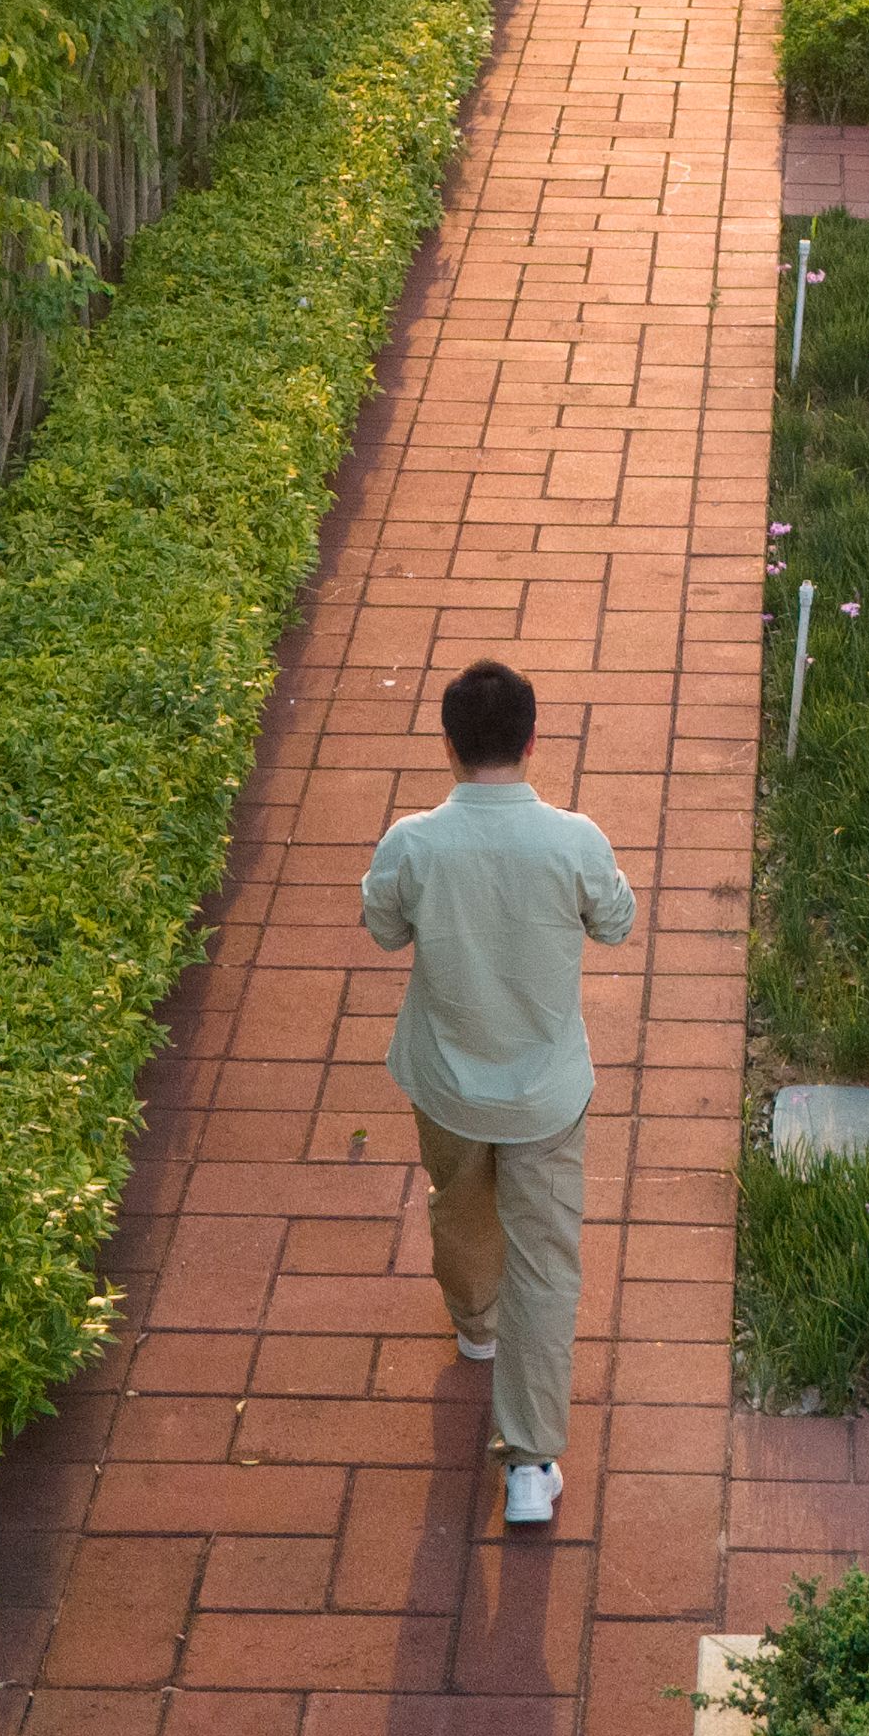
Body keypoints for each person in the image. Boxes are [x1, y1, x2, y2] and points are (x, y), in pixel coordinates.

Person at [359, 656, 638, 1532]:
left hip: (445, 1080)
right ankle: (529, 1460)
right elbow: (618, 923)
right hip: (546, 1093)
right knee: (547, 1264)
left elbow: (382, 928)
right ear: (530, 739)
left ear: (448, 745)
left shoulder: (413, 842)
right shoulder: (573, 841)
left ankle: (473, 1323)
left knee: (459, 1200)